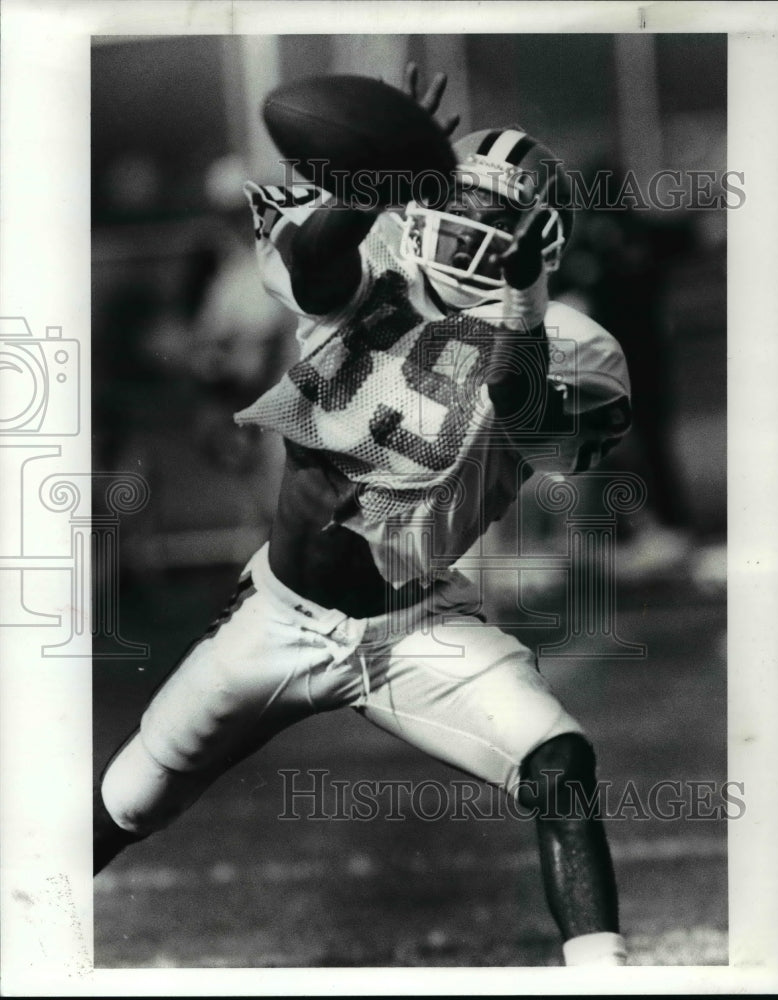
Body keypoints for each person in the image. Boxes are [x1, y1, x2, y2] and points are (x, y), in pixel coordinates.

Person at [94, 67, 632, 968]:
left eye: (502, 228)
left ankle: (607, 975)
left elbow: (533, 420)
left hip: (412, 622)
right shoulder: (373, 248)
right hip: (278, 616)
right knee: (127, 800)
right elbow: (312, 265)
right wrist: (370, 174)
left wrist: (525, 306)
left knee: (559, 765)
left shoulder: (572, 341)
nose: (476, 236)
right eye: (464, 211)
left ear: (542, 243)